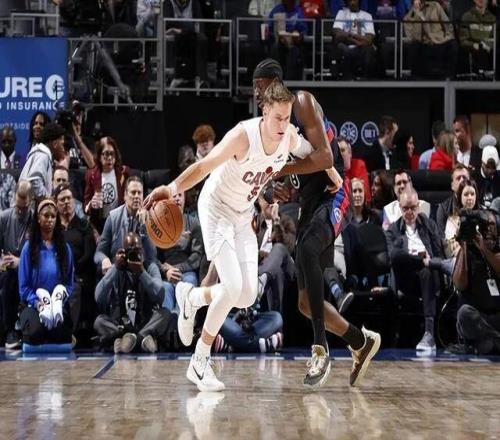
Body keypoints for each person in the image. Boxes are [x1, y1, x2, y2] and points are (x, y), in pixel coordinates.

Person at [144, 79, 323, 392]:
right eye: (278, 118)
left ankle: (192, 298)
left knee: (247, 295)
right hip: (216, 209)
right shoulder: (243, 136)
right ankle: (200, 361)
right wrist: (171, 189)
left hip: (242, 214)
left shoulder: (290, 137)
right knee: (232, 287)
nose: (283, 125)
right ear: (264, 112)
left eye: (287, 117)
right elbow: (204, 166)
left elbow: (317, 155)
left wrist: (333, 171)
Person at [252, 59, 380, 388]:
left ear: (274, 83)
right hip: (309, 203)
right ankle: (361, 342)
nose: (255, 93)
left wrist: (282, 171)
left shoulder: (302, 102)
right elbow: (291, 179)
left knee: (308, 248)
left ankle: (320, 350)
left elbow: (324, 158)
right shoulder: (268, 125)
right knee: (305, 303)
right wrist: (280, 189)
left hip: (333, 194)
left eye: (259, 86)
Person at [385, 188, 443, 350]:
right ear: (399, 207)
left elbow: (439, 254)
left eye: (413, 208)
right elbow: (393, 256)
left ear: (418, 206)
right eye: (405, 208)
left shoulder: (429, 225)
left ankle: (429, 334)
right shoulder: (393, 229)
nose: (409, 212)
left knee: (427, 272)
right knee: (404, 259)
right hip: (406, 279)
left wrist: (428, 262)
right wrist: (420, 260)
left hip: (429, 275)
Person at [94, 232, 171, 353]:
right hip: (121, 323)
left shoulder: (150, 266)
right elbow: (98, 297)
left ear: (143, 250)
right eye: (130, 251)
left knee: (165, 314)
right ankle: (142, 340)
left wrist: (142, 273)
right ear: (123, 252)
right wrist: (115, 268)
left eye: (137, 250)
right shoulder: (117, 268)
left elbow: (160, 295)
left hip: (145, 321)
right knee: (99, 321)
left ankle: (130, 340)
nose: (134, 254)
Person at [18, 198, 75, 345]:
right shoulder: (28, 248)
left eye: (53, 216)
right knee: (35, 334)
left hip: (56, 303)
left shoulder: (64, 248)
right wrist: (38, 304)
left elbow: (69, 284)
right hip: (34, 303)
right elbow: (23, 288)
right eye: (46, 216)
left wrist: (60, 300)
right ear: (38, 218)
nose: (50, 220)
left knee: (61, 335)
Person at [453, 209, 500, 354]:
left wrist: (484, 249)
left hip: (497, 317)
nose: (489, 230)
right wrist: (464, 246)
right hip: (477, 317)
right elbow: (460, 284)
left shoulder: (497, 250)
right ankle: (495, 341)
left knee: (485, 342)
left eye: (492, 225)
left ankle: (488, 344)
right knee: (464, 314)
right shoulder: (467, 251)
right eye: (485, 226)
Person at [54, 183, 96, 335]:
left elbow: (88, 255)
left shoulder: (84, 225)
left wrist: (71, 271)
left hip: (78, 275)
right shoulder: (53, 228)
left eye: (68, 198)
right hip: (56, 274)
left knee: (75, 288)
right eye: (62, 199)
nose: (66, 202)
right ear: (56, 204)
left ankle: (68, 333)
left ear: (74, 201)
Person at [94, 176, 156, 276]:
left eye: (139, 193)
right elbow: (99, 253)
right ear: (125, 195)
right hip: (117, 272)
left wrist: (143, 226)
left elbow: (152, 257)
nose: (136, 196)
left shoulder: (151, 219)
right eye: (133, 192)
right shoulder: (113, 218)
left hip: (141, 274)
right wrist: (104, 259)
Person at [0, 181, 33, 348]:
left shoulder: (35, 220)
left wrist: (21, 262)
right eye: (18, 207)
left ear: (31, 202)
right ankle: (10, 331)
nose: (20, 211)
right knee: (8, 277)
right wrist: (1, 261)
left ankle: (21, 328)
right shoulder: (4, 217)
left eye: (24, 208)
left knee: (16, 275)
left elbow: (39, 253)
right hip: (6, 269)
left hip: (29, 268)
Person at [158, 191, 203, 311]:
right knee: (165, 288)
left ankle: (182, 320)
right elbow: (153, 257)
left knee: (188, 284)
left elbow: (196, 256)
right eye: (174, 196)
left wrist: (177, 269)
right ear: (168, 200)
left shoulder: (194, 223)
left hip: (187, 272)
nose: (177, 198)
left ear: (184, 198)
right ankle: (168, 320)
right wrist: (165, 270)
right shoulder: (159, 224)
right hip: (166, 273)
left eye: (180, 195)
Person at [84, 136, 130, 233]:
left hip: (119, 223)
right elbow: (86, 206)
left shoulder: (123, 173)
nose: (109, 158)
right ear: (99, 156)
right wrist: (91, 204)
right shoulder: (91, 175)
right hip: (99, 225)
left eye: (112, 154)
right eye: (106, 154)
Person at [19, 123, 67, 199]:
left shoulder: (42, 155)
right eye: (62, 144)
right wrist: (48, 200)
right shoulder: (42, 155)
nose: (63, 149)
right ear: (55, 144)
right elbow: (34, 181)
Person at [332, 0, 377, 79]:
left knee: (369, 49)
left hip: (362, 47)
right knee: (340, 47)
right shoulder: (341, 13)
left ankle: (366, 80)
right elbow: (338, 35)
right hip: (346, 45)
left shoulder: (367, 16)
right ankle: (345, 79)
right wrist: (356, 41)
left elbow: (369, 39)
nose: (352, 2)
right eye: (350, 0)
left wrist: (350, 35)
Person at [436, 163, 470, 237]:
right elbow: (442, 238)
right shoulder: (443, 209)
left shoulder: (477, 204)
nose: (462, 180)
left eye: (464, 178)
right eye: (458, 178)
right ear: (452, 185)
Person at [338, 136, 371, 202]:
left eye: (342, 150)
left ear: (350, 153)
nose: (340, 154)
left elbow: (365, 194)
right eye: (338, 152)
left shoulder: (359, 165)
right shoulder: (332, 170)